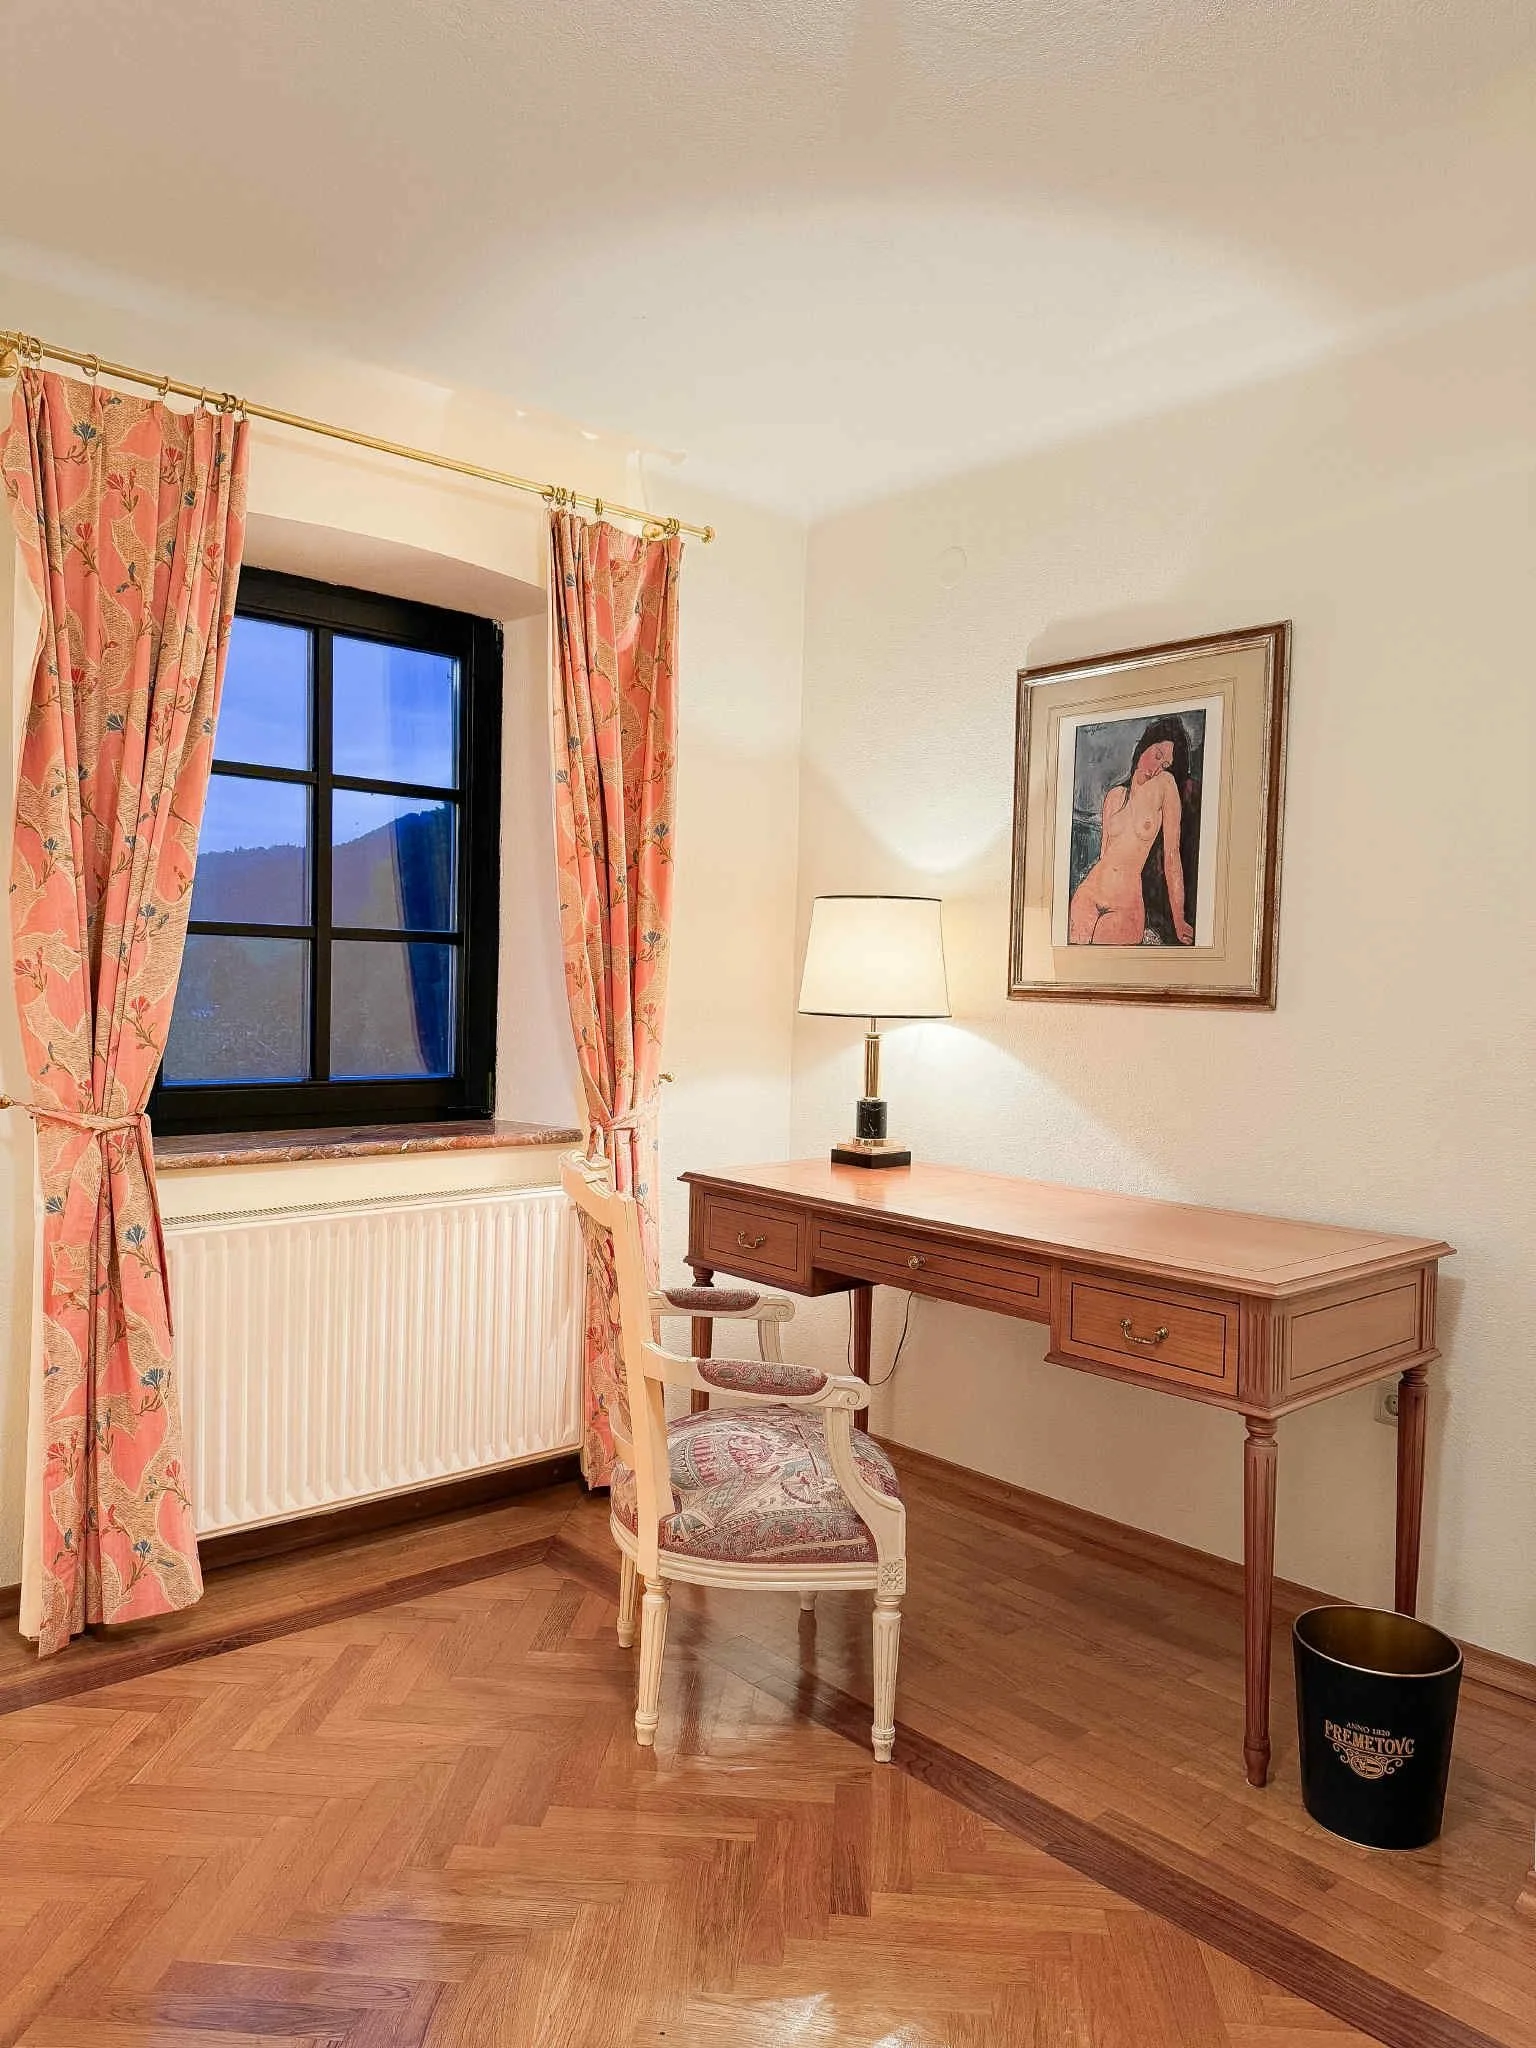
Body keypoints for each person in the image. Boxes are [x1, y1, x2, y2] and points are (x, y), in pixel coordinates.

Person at [1068, 717, 1195, 946]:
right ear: (1145, 745)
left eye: (1165, 764)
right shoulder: (1114, 796)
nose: (1157, 768)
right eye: (1157, 755)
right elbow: (1104, 854)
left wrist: (1179, 919)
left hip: (1125, 903)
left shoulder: (1165, 785)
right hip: (1090, 891)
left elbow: (1172, 857)